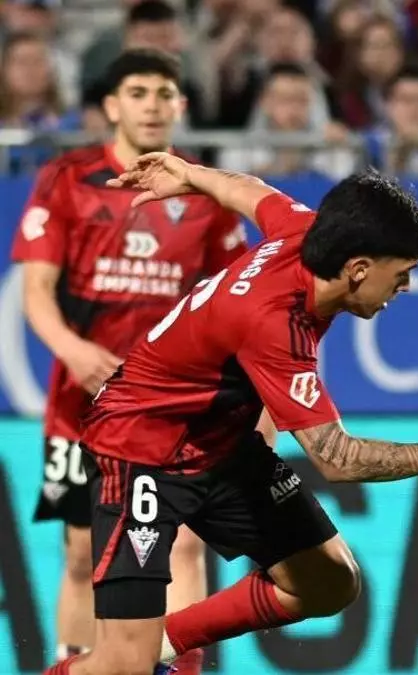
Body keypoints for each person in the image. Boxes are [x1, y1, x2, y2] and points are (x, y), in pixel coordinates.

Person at [42, 156, 418, 675]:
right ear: (359, 270)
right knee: (121, 667)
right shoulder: (274, 323)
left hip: (219, 442)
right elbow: (338, 458)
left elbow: (246, 188)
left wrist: (191, 175)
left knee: (328, 581)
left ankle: (160, 647)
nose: (404, 288)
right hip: (140, 450)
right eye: (401, 274)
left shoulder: (304, 231)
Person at [9, 48, 251, 673]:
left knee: (185, 546)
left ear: (181, 106)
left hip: (176, 403)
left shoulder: (206, 189)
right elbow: (36, 290)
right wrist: (74, 351)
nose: (152, 106)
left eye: (164, 93)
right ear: (113, 106)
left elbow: (237, 296)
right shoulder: (66, 178)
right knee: (82, 553)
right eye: (138, 93)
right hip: (83, 399)